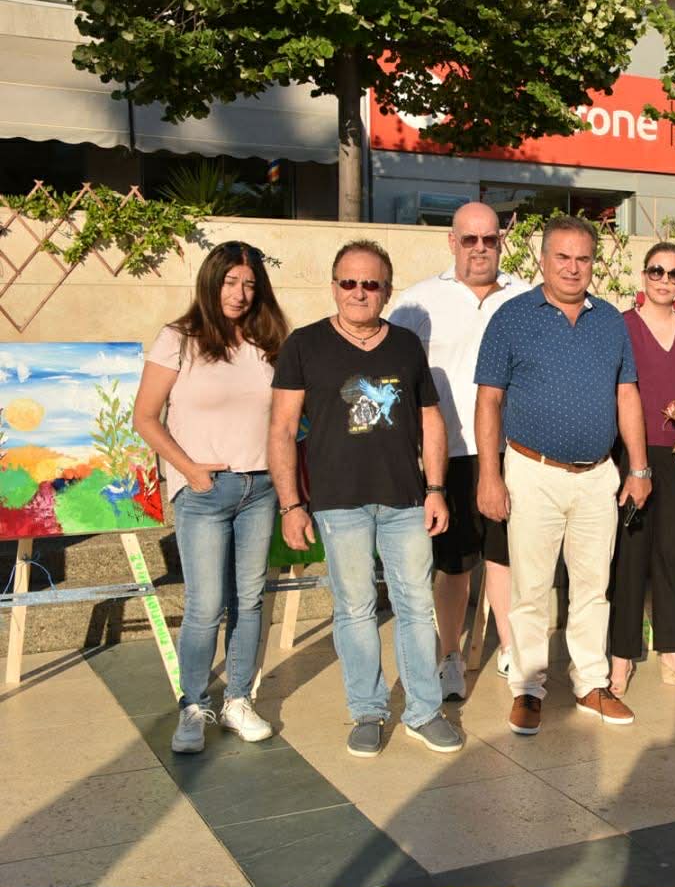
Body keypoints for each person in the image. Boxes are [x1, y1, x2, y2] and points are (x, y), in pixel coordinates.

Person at [269, 239, 462, 758]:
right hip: (338, 503)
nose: (359, 292)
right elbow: (282, 428)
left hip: (405, 500)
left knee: (416, 606)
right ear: (334, 287)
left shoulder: (406, 345)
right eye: (349, 282)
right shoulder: (304, 345)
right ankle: (368, 711)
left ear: (386, 290)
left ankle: (424, 711)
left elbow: (430, 420)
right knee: (355, 609)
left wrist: (436, 489)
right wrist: (291, 505)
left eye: (371, 284)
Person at [474, 215, 652, 736]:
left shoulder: (610, 321)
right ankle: (528, 688)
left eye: (583, 258)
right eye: (563, 257)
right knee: (531, 587)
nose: (573, 268)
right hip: (532, 472)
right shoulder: (511, 317)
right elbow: (489, 400)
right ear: (542, 259)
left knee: (594, 586)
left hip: (598, 475)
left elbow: (627, 394)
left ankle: (591, 683)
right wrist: (489, 476)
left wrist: (638, 467)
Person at [134, 241, 288, 754]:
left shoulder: (267, 343)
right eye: (230, 282)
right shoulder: (178, 339)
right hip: (203, 491)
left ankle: (238, 700)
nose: (240, 293)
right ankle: (193, 706)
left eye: (249, 284)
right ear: (211, 281)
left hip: (260, 488)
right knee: (205, 605)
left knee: (249, 599)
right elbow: (145, 417)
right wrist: (190, 470)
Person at [389, 202, 530, 700]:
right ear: (452, 242)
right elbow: (396, 380)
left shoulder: (526, 297)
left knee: (506, 557)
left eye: (489, 239)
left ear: (501, 242)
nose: (480, 249)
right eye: (469, 239)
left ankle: (511, 650)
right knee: (453, 564)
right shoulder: (417, 303)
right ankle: (450, 655)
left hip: (513, 451)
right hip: (446, 454)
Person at [607, 242, 675, 696]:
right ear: (644, 275)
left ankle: (672, 651)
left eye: (674, 274)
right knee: (629, 557)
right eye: (657, 271)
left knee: (673, 555)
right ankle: (621, 656)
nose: (664, 280)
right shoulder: (620, 326)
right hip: (630, 455)